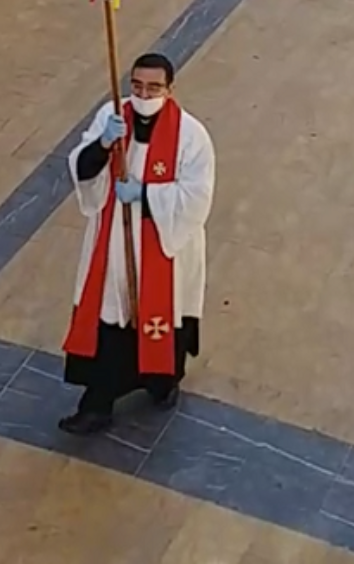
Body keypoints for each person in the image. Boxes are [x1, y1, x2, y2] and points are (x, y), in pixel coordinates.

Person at [58, 51, 216, 435]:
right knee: (113, 320)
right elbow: (82, 166)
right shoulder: (111, 117)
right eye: (138, 85)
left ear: (170, 88)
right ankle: (97, 405)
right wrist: (103, 146)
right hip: (114, 240)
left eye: (154, 87)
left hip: (164, 245)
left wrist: (146, 195)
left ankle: (163, 382)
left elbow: (197, 197)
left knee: (162, 320)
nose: (144, 94)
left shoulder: (192, 135)